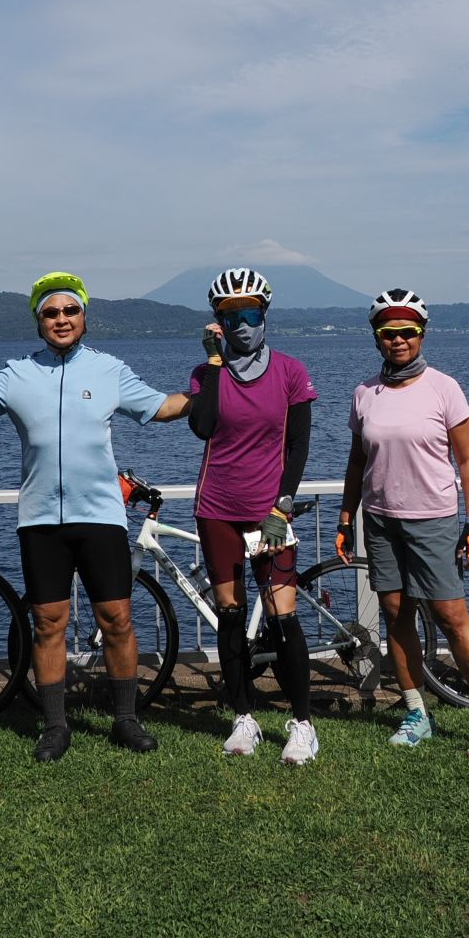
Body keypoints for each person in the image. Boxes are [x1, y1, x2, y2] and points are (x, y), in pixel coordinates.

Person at [0, 272, 191, 761]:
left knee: (117, 619)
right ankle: (54, 725)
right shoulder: (16, 374)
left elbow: (163, 407)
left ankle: (127, 720)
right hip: (41, 519)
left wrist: (214, 386)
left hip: (101, 516)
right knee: (49, 623)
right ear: (38, 320)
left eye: (70, 311)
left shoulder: (109, 370)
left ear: (85, 317)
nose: (61, 319)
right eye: (51, 312)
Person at [335, 288, 469, 761]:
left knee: (452, 618)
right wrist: (347, 516)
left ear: (422, 334)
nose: (399, 340)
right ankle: (417, 712)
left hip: (433, 519)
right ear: (376, 339)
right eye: (388, 333)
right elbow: (356, 462)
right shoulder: (364, 393)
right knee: (395, 613)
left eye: (408, 331)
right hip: (381, 519)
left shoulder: (443, 388)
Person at [185, 268, 319, 763]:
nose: (242, 324)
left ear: (265, 315)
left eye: (251, 315)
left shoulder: (289, 371)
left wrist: (282, 506)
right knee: (231, 615)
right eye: (230, 316)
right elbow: (203, 426)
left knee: (284, 618)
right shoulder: (206, 374)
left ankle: (303, 725)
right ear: (217, 322)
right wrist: (214, 362)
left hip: (269, 510)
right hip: (217, 506)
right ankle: (244, 717)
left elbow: (300, 446)